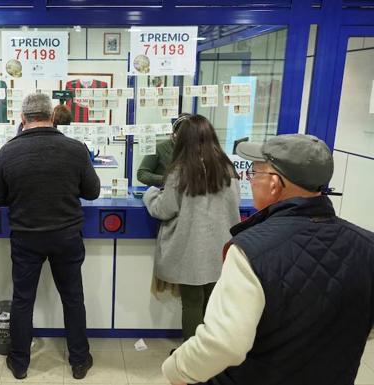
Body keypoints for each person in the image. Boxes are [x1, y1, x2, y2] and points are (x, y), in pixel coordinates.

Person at [161, 134, 374, 385]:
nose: (250, 180)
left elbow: (223, 344)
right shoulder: (367, 244)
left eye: (255, 173)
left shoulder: (250, 250)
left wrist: (176, 369)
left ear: (274, 184)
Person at [0, 93, 100, 380]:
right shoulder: (75, 149)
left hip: (26, 237)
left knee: (23, 300)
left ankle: (20, 362)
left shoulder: (8, 151)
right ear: (51, 116)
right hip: (67, 235)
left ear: (23, 119)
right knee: (73, 298)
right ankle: (79, 361)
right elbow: (92, 192)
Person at [143, 114, 240, 342]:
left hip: (190, 249)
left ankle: (191, 358)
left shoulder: (181, 170)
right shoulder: (227, 168)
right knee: (212, 303)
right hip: (221, 248)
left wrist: (150, 195)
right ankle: (208, 355)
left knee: (192, 302)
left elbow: (164, 210)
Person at [137, 113, 191, 187]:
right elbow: (142, 174)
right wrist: (168, 180)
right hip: (163, 193)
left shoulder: (198, 149)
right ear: (175, 132)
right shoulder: (159, 148)